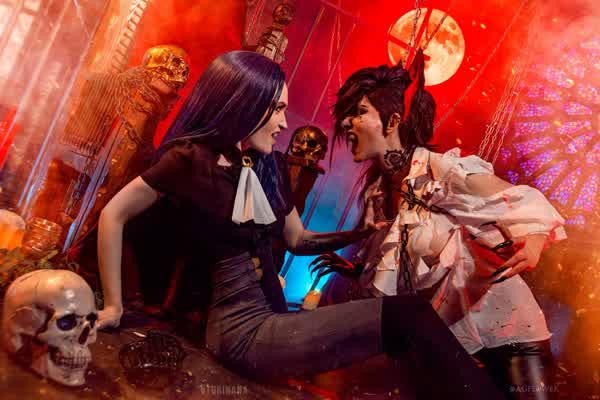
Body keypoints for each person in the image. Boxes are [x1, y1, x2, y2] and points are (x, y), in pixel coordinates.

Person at [96, 50, 504, 398]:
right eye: (276, 109)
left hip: (277, 322)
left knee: (406, 336)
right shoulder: (190, 158)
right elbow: (113, 214)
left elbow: (297, 239)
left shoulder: (265, 166)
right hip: (242, 333)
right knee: (408, 315)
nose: (283, 122)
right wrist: (114, 305)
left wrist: (359, 233)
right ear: (246, 103)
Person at [312, 51, 565, 399]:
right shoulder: (378, 193)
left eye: (358, 112)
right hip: (452, 342)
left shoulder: (437, 171)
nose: (345, 124)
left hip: (510, 337)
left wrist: (533, 241)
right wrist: (357, 270)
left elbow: (520, 201)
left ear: (391, 122)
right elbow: (401, 266)